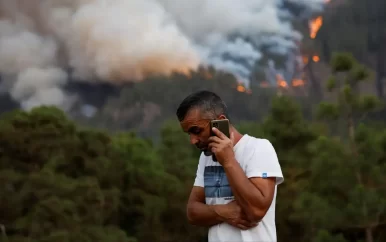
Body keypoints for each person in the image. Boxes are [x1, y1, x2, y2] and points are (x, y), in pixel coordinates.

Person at [176, 90, 284, 242]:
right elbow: (193, 211)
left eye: (197, 130)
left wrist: (228, 161)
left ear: (219, 121)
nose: (193, 140)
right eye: (189, 134)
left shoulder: (258, 148)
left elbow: (256, 211)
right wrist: (224, 211)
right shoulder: (206, 157)